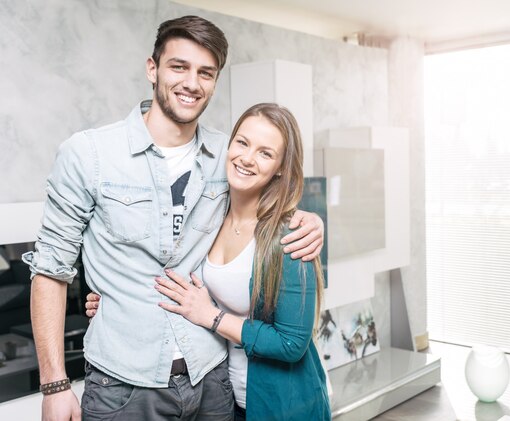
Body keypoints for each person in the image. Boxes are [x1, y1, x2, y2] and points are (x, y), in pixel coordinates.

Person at [23, 16, 323, 421]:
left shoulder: (228, 153)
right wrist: (55, 384)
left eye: (205, 72)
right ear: (153, 68)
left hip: (212, 379)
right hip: (122, 387)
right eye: (178, 66)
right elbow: (50, 271)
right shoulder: (90, 155)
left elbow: (271, 194)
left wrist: (310, 221)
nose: (191, 83)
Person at [89, 103, 331, 420]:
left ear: (281, 168)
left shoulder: (288, 238)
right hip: (225, 396)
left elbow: (291, 344)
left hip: (283, 406)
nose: (247, 158)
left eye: (265, 153)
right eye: (242, 143)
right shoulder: (209, 213)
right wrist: (117, 299)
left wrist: (211, 317)